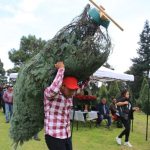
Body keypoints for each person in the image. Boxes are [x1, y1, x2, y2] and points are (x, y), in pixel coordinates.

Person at [44, 61, 80, 150]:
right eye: (70, 90)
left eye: (74, 90)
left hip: (66, 134)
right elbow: (54, 88)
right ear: (62, 86)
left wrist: (88, 77)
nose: (73, 93)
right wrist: (61, 69)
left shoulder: (69, 96)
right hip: (54, 135)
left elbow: (81, 86)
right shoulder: (50, 94)